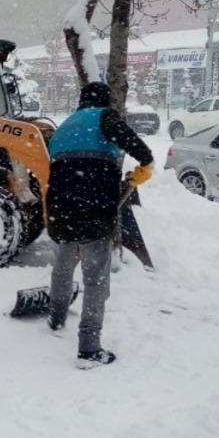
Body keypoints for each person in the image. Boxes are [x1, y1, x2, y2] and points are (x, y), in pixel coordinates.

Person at [46, 81, 154, 368]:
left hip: (60, 209)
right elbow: (130, 140)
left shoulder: (65, 125)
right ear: (104, 102)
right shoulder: (103, 117)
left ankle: (56, 318)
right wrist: (146, 161)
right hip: (90, 208)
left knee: (64, 264)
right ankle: (89, 348)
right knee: (96, 279)